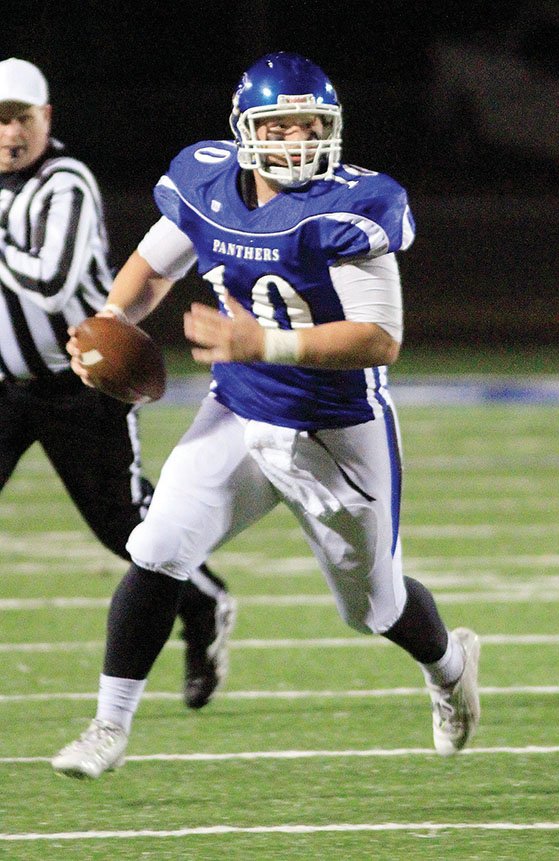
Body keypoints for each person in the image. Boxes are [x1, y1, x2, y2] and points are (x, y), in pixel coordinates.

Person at [52, 51, 480, 779]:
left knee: (374, 608)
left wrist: (262, 339)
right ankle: (107, 725)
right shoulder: (207, 182)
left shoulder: (348, 206)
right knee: (157, 548)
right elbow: (155, 267)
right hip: (240, 409)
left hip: (336, 430)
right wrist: (109, 319)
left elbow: (381, 339)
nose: (299, 141)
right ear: (247, 131)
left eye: (311, 125)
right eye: (281, 127)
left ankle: (449, 669)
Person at [0, 56, 235, 711]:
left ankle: (204, 603)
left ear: (45, 118)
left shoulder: (64, 182)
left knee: (128, 530)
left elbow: (50, 279)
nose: (8, 132)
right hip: (3, 385)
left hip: (79, 384)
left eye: (19, 117)